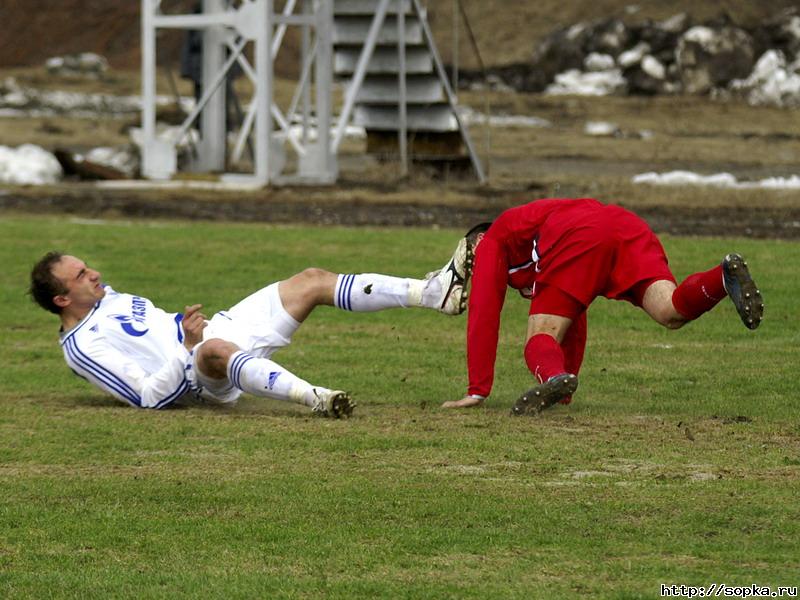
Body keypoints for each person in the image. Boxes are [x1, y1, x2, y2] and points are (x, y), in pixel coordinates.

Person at [28, 238, 473, 416]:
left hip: (219, 329)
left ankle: (435, 293)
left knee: (311, 280)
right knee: (213, 349)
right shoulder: (83, 348)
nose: (95, 274)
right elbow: (146, 399)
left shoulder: (108, 297)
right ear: (62, 300)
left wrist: (185, 329)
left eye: (88, 267)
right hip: (201, 374)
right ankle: (315, 398)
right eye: (82, 275)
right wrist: (187, 346)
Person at [441, 197, 764, 415]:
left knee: (541, 336)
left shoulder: (492, 239)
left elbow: (484, 313)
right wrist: (566, 385)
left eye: (471, 257)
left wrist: (477, 389)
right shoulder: (527, 239)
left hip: (579, 231)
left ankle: (552, 376)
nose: (473, 266)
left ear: (477, 241)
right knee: (670, 312)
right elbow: (574, 315)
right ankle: (721, 278)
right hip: (623, 225)